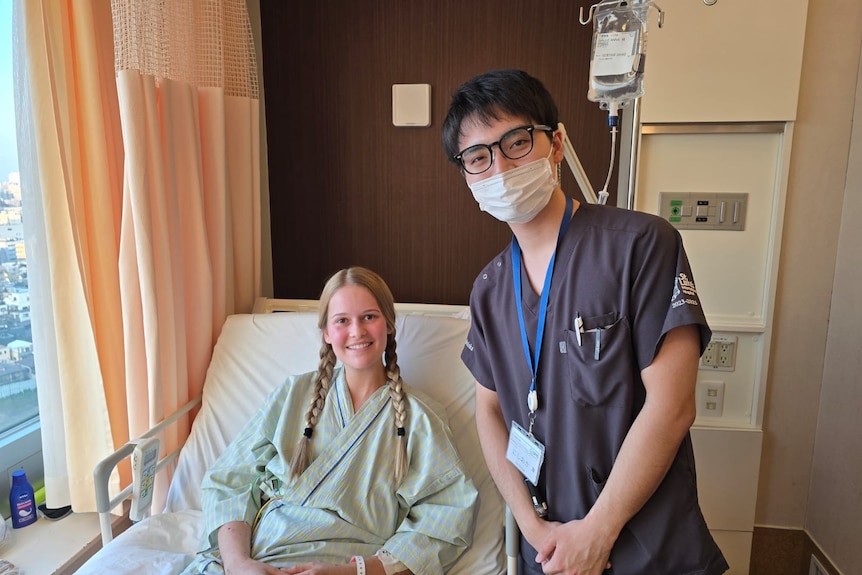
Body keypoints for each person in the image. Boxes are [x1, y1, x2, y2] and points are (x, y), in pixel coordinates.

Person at [442, 69, 729, 575]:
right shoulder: (489, 290)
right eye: (478, 157)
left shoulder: (641, 246)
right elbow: (488, 412)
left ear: (555, 144)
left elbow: (673, 404)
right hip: (551, 551)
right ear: (466, 175)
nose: (500, 168)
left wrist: (598, 533)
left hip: (647, 548)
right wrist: (533, 529)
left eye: (516, 142)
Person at [181, 267, 478, 575]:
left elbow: (445, 517)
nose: (357, 331)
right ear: (326, 331)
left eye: (369, 317)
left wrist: (355, 572)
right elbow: (230, 480)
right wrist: (238, 564)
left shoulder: (421, 418)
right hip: (261, 557)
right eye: (342, 321)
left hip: (350, 564)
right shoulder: (292, 395)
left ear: (389, 324)